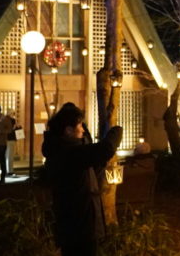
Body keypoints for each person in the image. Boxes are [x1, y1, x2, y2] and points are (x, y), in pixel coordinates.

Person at [41, 104, 122, 256]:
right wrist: (116, 130)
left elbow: (93, 160)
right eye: (79, 125)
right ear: (68, 130)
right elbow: (105, 149)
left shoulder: (62, 149)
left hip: (77, 225)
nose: (83, 130)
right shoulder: (69, 154)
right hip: (79, 227)